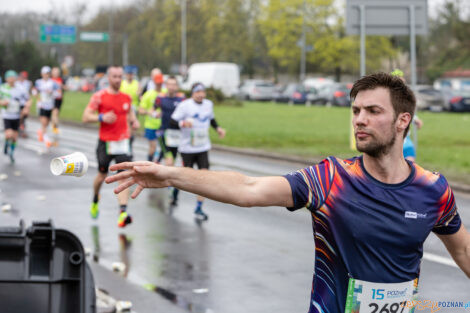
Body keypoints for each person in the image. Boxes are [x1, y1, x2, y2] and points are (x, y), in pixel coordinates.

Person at [105, 73, 470, 313]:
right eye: (356, 110)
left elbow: (464, 250)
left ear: (403, 121)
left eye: (373, 111)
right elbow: (248, 189)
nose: (359, 119)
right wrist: (171, 175)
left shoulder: (432, 190)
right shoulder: (331, 179)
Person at [82, 66, 140, 228]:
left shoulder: (126, 98)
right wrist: (101, 117)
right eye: (115, 77)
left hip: (123, 142)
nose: (118, 79)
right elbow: (85, 117)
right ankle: (95, 198)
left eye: (120, 76)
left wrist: (134, 121)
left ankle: (123, 212)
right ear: (108, 78)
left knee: (123, 177)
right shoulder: (99, 97)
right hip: (106, 142)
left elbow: (130, 114)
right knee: (102, 176)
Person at [169, 82, 226, 220]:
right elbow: (172, 122)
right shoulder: (185, 105)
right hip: (187, 148)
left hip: (203, 147)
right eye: (197, 92)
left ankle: (199, 207)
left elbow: (211, 118)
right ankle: (175, 191)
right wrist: (183, 123)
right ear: (192, 93)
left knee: (204, 178)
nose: (201, 94)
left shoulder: (208, 104)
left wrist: (217, 128)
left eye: (203, 92)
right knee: (185, 177)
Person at [153, 75, 185, 205]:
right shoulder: (160, 98)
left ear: (177, 86)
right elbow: (153, 110)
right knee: (169, 161)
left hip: (178, 134)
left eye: (174, 84)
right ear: (166, 86)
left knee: (179, 162)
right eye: (169, 84)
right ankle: (172, 190)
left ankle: (156, 161)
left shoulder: (182, 99)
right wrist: (155, 113)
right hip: (164, 133)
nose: (171, 86)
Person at [0, 70, 31, 163]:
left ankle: (11, 153)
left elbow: (28, 99)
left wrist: (26, 107)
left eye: (13, 77)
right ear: (6, 78)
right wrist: (2, 102)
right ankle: (6, 143)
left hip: (17, 116)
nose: (11, 79)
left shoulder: (20, 88)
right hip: (7, 115)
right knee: (9, 134)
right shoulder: (3, 88)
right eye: (9, 77)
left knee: (14, 137)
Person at [138, 72, 166, 162]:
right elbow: (140, 110)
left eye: (161, 82)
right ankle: (149, 164)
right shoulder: (148, 94)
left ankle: (157, 162)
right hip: (150, 125)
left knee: (165, 148)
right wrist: (150, 113)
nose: (159, 84)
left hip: (163, 125)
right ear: (154, 82)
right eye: (157, 82)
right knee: (153, 148)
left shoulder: (165, 93)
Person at [34, 66, 60, 148]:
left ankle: (40, 131)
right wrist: (38, 99)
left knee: (47, 123)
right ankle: (47, 141)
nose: (46, 75)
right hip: (42, 105)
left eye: (48, 74)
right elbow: (34, 91)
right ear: (42, 74)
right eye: (45, 73)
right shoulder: (38, 82)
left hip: (50, 105)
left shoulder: (53, 83)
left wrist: (52, 92)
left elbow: (58, 93)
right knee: (44, 123)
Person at [16, 71, 32, 138]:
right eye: (21, 76)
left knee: (24, 116)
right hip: (17, 103)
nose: (23, 78)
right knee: (19, 116)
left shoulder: (28, 83)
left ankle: (21, 128)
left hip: (25, 103)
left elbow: (29, 93)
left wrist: (29, 102)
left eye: (24, 77)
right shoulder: (16, 83)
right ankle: (19, 128)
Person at [51, 67, 65, 134]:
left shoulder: (61, 80)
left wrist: (61, 86)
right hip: (52, 99)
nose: (56, 73)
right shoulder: (50, 80)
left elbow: (65, 87)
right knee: (55, 113)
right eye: (55, 72)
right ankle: (56, 127)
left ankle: (54, 126)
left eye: (57, 72)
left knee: (56, 114)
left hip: (59, 99)